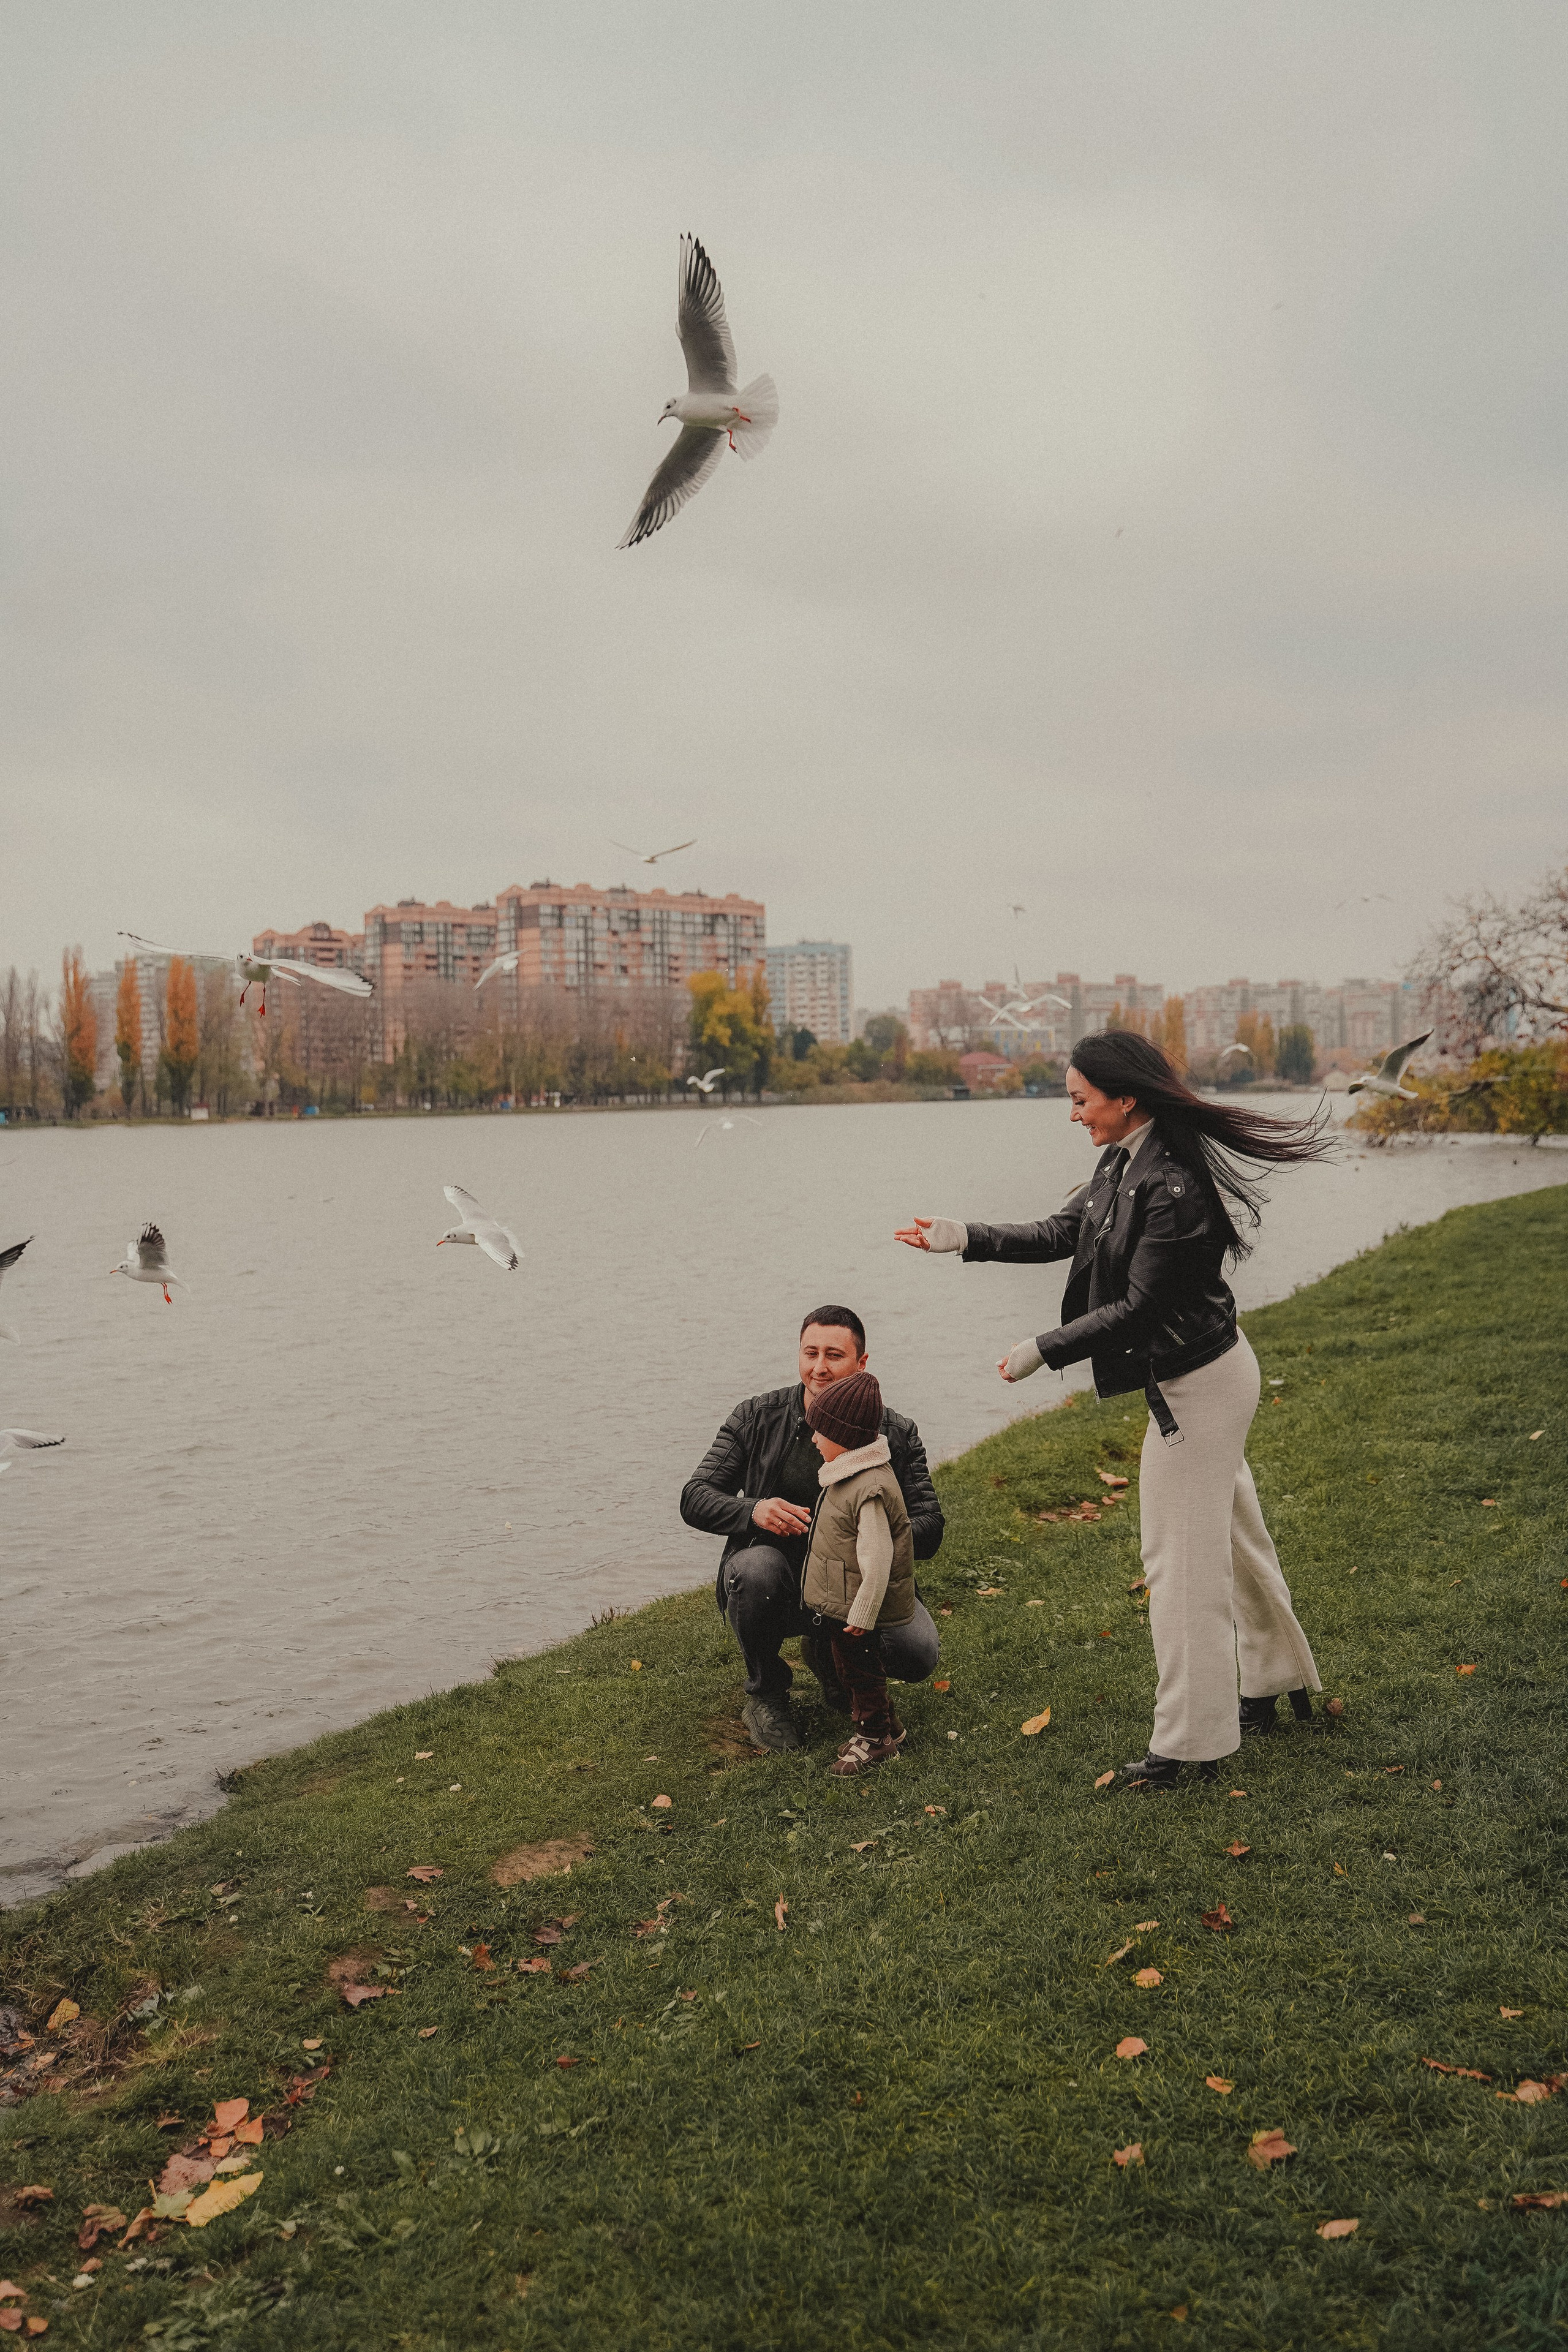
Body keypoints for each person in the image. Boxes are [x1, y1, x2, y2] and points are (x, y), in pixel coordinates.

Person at [895, 1030, 1330, 1790]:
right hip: (1199, 1374)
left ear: (1125, 1098)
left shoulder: (1171, 1185)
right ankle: (1274, 1678)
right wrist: (961, 1236)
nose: (1073, 1114)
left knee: (1178, 1567)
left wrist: (1041, 1348)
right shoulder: (1125, 1158)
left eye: (1080, 1100)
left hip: (1201, 1388)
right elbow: (1064, 1232)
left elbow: (1136, 1309)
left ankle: (1192, 1745)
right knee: (1234, 1539)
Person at [680, 1304, 943, 1751]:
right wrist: (754, 1511)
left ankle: (832, 1660)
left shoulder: (896, 1432)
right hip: (777, 1580)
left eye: (834, 1355)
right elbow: (695, 1496)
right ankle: (767, 1694)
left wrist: (869, 1540)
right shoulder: (755, 1416)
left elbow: (931, 1526)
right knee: (754, 1571)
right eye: (810, 1353)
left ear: (862, 1363)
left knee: (917, 1652)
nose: (819, 1368)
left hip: (857, 1585)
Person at [799, 1368, 916, 1777]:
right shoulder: (848, 1474)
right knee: (855, 1669)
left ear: (844, 1437)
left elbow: (878, 1556)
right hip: (845, 1603)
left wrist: (864, 1612)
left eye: (821, 1432)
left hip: (857, 1610)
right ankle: (890, 1728)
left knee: (861, 1674)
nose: (814, 1439)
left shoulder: (868, 1488)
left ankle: (875, 1740)